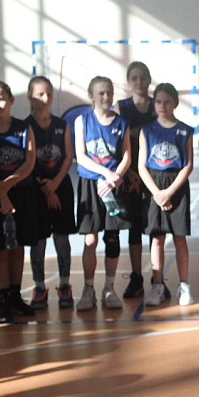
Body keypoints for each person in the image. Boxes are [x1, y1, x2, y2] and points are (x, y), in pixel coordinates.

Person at [0, 81, 39, 324]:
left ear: (11, 100)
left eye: (1, 99)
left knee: (18, 246)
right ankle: (3, 298)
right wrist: (1, 193)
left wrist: (9, 183)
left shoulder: (23, 128)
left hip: (20, 192)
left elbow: (29, 161)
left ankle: (15, 295)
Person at [74, 76, 131, 311]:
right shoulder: (82, 121)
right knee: (90, 238)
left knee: (112, 238)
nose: (106, 97)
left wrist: (114, 177)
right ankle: (88, 289)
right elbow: (81, 155)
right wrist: (105, 174)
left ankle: (109, 288)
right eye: (101, 93)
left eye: (109, 92)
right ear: (91, 96)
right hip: (91, 183)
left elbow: (126, 155)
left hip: (113, 185)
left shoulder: (122, 123)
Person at [138, 83, 195, 307]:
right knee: (157, 238)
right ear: (154, 103)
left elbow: (188, 165)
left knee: (180, 238)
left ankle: (185, 285)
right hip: (154, 186)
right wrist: (157, 194)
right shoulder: (147, 131)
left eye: (167, 101)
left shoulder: (185, 130)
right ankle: (158, 285)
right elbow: (141, 166)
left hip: (176, 186)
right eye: (159, 101)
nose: (162, 105)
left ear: (175, 103)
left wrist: (170, 192)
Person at [26, 76, 77, 309]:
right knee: (38, 241)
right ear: (30, 96)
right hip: (36, 189)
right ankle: (39, 287)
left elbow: (68, 156)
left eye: (48, 93)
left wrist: (55, 184)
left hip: (60, 187)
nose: (45, 98)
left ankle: (65, 285)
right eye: (40, 94)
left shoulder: (61, 124)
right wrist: (46, 189)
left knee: (62, 237)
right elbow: (28, 161)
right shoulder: (25, 126)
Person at [117, 61, 157, 299]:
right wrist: (128, 172)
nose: (139, 82)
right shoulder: (121, 108)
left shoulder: (157, 105)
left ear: (149, 79)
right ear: (128, 82)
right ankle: (136, 277)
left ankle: (157, 278)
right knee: (133, 228)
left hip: (153, 176)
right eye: (134, 78)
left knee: (154, 228)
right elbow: (117, 143)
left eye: (143, 77)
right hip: (131, 177)